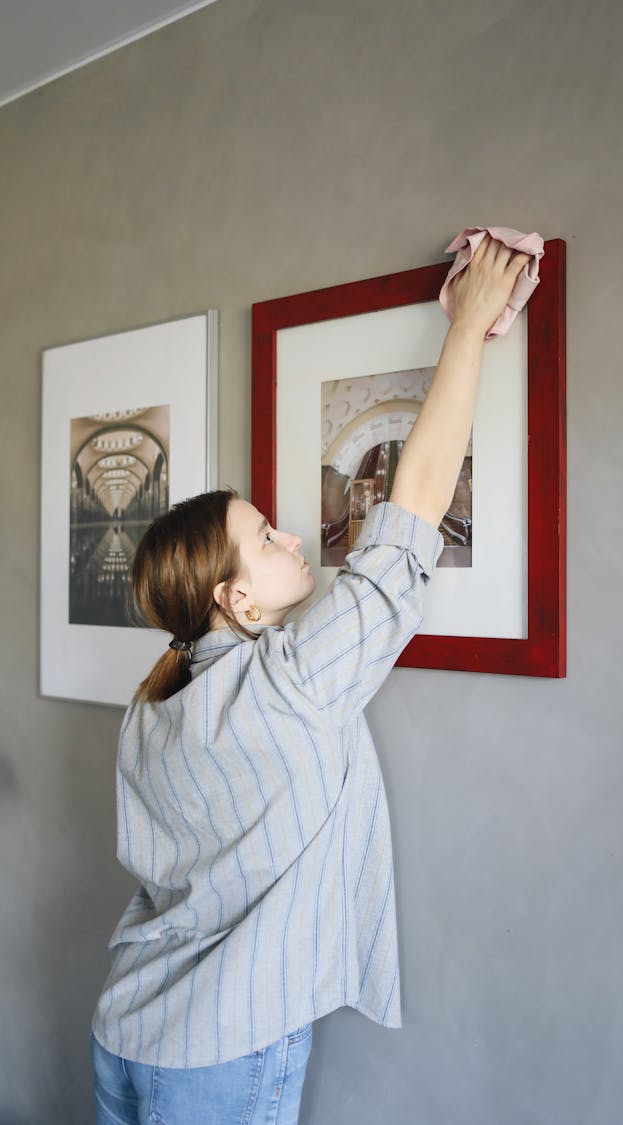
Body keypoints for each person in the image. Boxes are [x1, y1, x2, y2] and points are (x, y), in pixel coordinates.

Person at [90, 237, 530, 1125]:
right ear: (236, 597)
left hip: (126, 1027)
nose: (293, 536)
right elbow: (412, 510)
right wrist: (472, 321)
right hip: (221, 1047)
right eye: (267, 538)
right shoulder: (288, 681)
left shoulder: (150, 704)